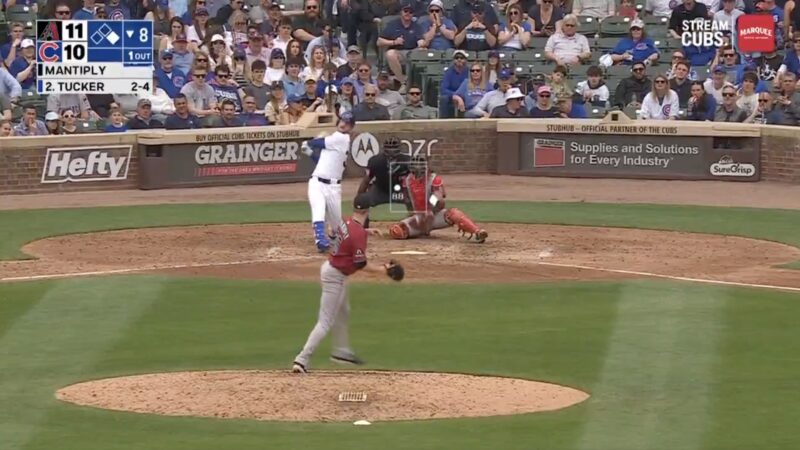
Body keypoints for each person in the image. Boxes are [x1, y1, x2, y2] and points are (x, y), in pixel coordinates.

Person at [291, 194, 404, 375]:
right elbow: (361, 264)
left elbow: (345, 234)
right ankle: (302, 359)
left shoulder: (346, 222)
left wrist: (367, 231)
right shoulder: (357, 234)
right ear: (368, 210)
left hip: (331, 270)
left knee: (343, 311)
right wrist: (384, 270)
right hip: (335, 277)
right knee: (325, 321)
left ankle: (341, 351)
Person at [388, 154, 488, 242]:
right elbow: (407, 200)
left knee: (454, 213)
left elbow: (438, 197)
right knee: (397, 231)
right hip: (419, 217)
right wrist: (412, 215)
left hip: (434, 216)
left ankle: (477, 232)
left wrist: (430, 208)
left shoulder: (434, 179)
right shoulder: (407, 181)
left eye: (421, 164)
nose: (418, 167)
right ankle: (421, 231)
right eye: (416, 164)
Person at [302, 112, 357, 252]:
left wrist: (309, 142)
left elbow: (319, 143)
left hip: (334, 187)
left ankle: (333, 234)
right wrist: (309, 152)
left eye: (347, 123)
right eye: (342, 121)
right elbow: (321, 161)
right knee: (318, 210)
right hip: (317, 183)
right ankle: (320, 239)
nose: (343, 124)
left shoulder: (342, 138)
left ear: (351, 127)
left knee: (337, 225)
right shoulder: (334, 139)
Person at [355, 137, 412, 227]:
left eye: (394, 148)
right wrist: (359, 196)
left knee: (414, 200)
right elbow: (366, 180)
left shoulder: (407, 161)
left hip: (400, 191)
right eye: (389, 148)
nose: (391, 151)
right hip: (380, 190)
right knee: (362, 200)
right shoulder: (375, 161)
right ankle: (362, 227)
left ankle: (415, 224)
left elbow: (415, 181)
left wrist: (413, 196)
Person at [378, 1, 426, 89]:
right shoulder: (393, 24)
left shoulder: (416, 26)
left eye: (410, 12)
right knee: (390, 54)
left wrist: (421, 43)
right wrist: (394, 42)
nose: (408, 13)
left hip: (412, 51)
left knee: (424, 51)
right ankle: (403, 82)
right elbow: (379, 42)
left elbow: (421, 40)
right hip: (398, 52)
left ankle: (419, 83)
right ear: (401, 12)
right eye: (406, 11)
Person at [438, 50, 470, 118]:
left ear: (465, 60)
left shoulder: (470, 71)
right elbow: (444, 89)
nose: (459, 59)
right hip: (452, 96)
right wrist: (455, 95)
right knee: (444, 98)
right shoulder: (448, 72)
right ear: (453, 60)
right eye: (457, 58)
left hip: (466, 95)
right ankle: (444, 122)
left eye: (461, 58)